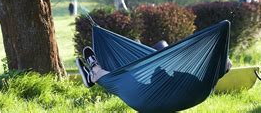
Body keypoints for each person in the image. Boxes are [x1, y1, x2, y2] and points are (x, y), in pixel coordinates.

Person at [77, 46, 233, 88]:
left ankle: (94, 73)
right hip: (155, 90)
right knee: (127, 74)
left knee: (124, 80)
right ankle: (96, 72)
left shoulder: (198, 81)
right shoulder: (203, 85)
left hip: (147, 91)